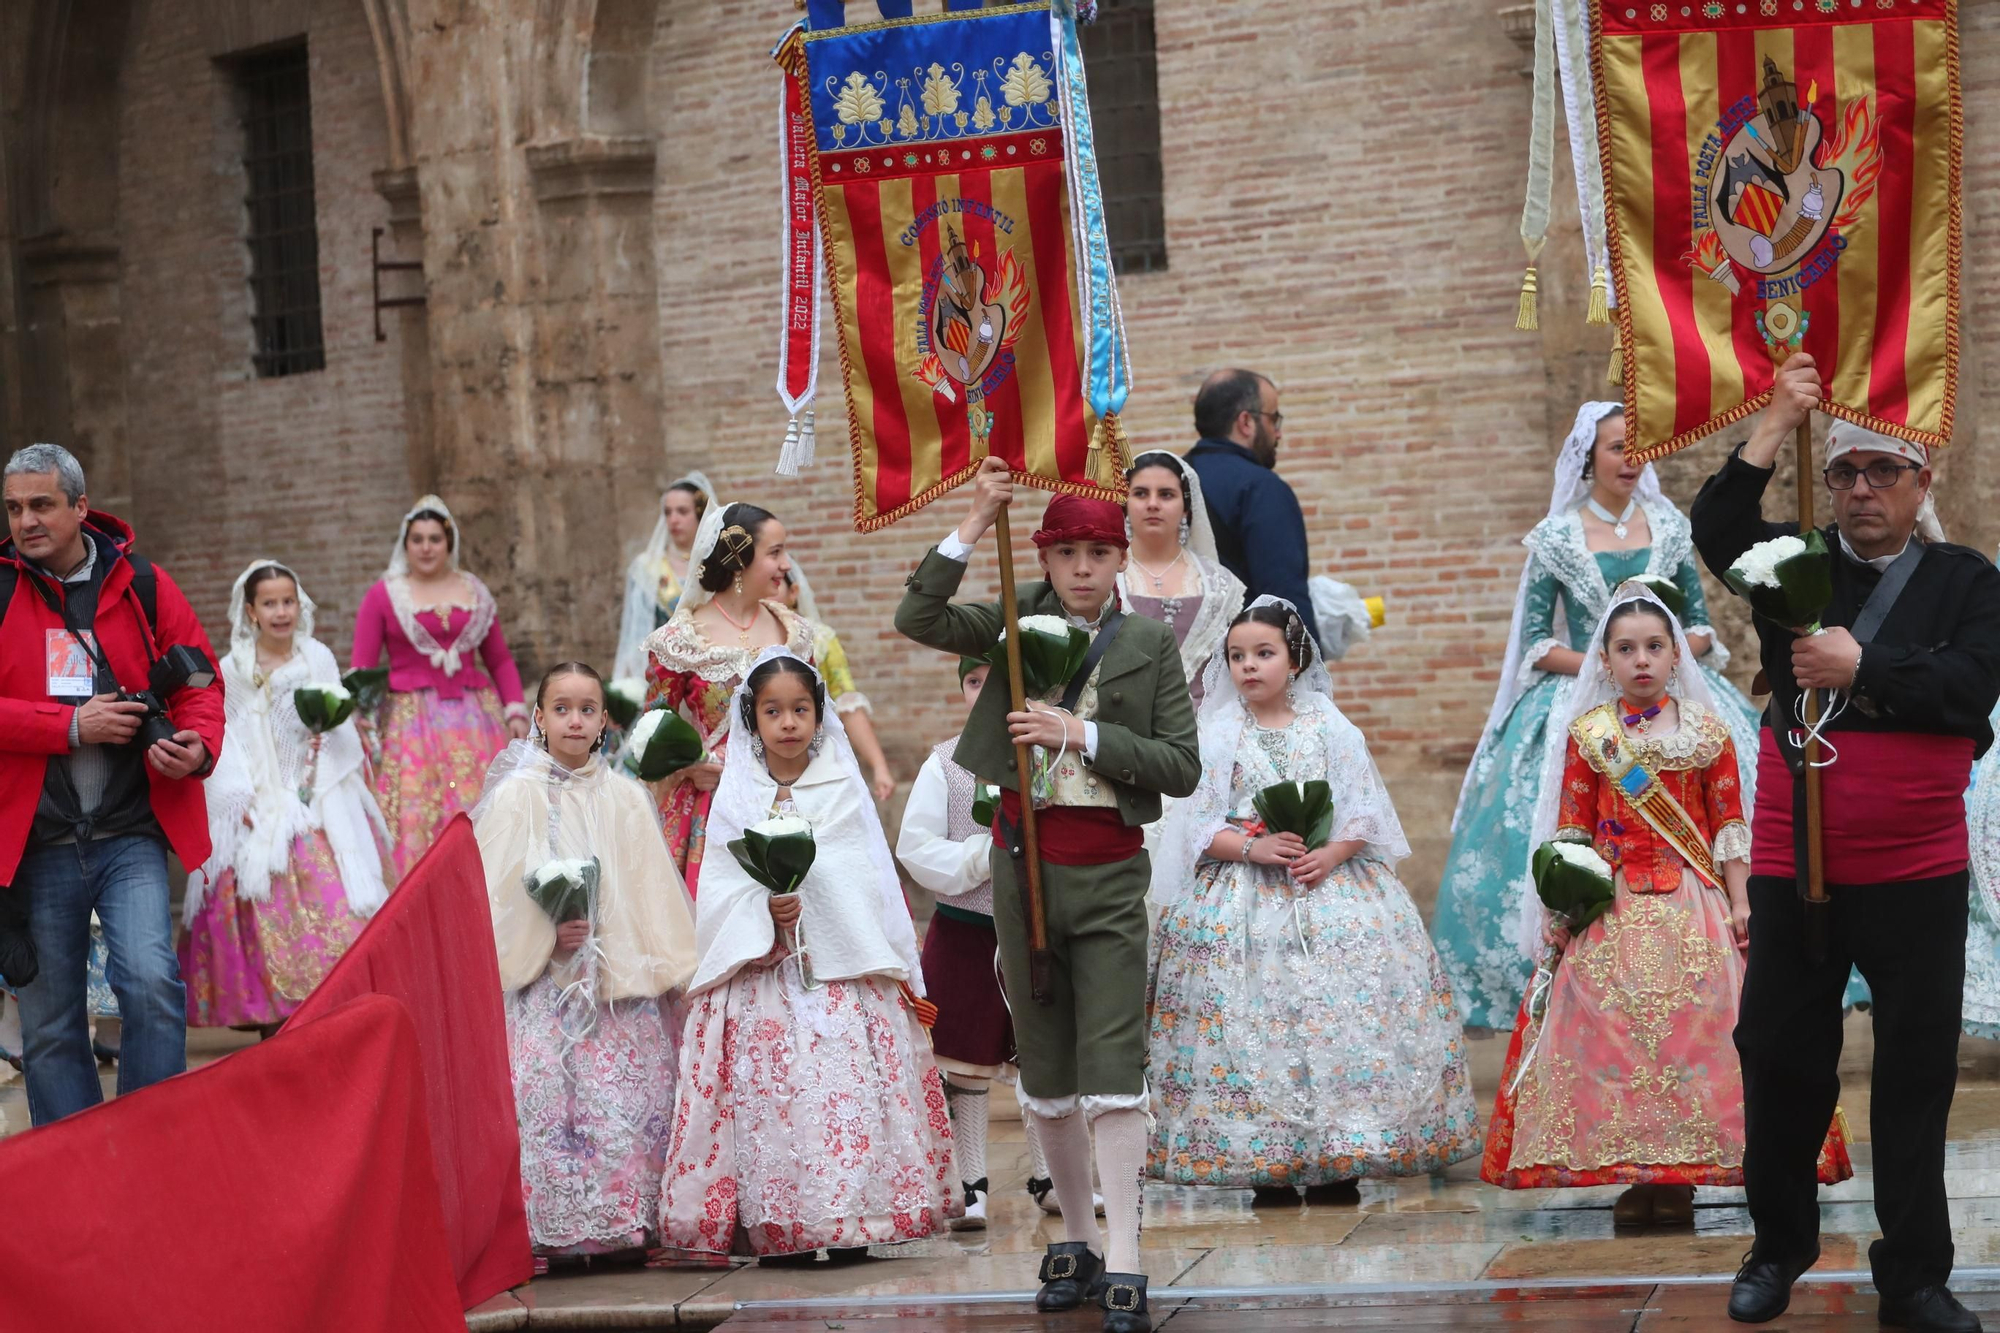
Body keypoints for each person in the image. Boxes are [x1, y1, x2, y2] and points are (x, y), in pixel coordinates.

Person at [1695, 356, 2000, 1332]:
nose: (1860, 490)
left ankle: (1911, 1275)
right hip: (1798, 862)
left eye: (1880, 473)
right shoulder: (1794, 568)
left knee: (1913, 1071)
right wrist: (1777, 422)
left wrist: (1858, 662)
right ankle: (1776, 1242)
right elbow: (1717, 528)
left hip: (1914, 866)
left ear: (1920, 484)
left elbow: (1966, 688)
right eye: (1843, 474)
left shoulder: (1967, 582)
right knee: (1778, 1053)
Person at [895, 457, 1201, 1333]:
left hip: (1108, 871)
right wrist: (972, 517)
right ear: (1043, 554)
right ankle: (1074, 1236)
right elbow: (916, 614)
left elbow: (1180, 765)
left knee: (1112, 1066)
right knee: (1047, 1068)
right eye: (1064, 551)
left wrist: (1085, 732)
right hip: (1018, 868)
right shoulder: (1010, 616)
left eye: (1096, 552)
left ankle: (1129, 1254)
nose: (1079, 568)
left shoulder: (1147, 643)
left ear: (1119, 559)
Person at [1480, 584, 1850, 1227]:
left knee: (1698, 1038)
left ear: (1677, 655)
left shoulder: (1707, 733)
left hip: (1695, 902)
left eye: (1655, 647)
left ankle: (1682, 1176)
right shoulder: (1590, 735)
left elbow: (1730, 824)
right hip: (1611, 906)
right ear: (1606, 661)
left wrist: (1742, 903)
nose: (1641, 660)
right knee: (1614, 1041)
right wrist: (1564, 902)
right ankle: (1632, 1171)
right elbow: (1573, 827)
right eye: (1626, 649)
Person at [1432, 403, 1763, 1031]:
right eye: (1616, 448)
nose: (1630, 460)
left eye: (1638, 448)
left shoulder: (1668, 528)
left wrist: (1658, 656)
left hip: (1670, 691)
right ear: (1588, 460)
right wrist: (1603, 664)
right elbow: (1535, 638)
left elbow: (1698, 625)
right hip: (1578, 697)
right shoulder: (1556, 536)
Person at [1148, 598, 1480, 1205]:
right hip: (1243, 896)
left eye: (1264, 654)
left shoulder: (1330, 726)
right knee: (1255, 1020)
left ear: (1295, 660)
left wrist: (1330, 853)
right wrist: (1251, 848)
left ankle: (1339, 1154)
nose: (1249, 667)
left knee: (1330, 1015)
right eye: (1237, 657)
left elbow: (1365, 810)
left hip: (1329, 884)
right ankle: (1266, 1156)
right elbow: (1197, 826)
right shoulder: (1218, 734)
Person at [659, 650, 957, 1261]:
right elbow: (719, 885)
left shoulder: (840, 786)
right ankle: (785, 1226)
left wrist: (813, 903)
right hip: (765, 980)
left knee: (841, 1094)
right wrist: (763, 913)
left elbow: (860, 870)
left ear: (819, 715)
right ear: (754, 718)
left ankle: (853, 1222)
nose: (789, 722)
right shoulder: (737, 796)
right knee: (779, 1102)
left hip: (839, 975)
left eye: (801, 709)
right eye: (774, 711)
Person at [0, 442, 224, 1125]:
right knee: (49, 1025)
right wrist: (69, 726)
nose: (26, 520)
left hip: (128, 832)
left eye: (41, 504)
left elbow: (201, 679)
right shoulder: (0, 589)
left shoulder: (144, 583)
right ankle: (76, 1181)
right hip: (35, 843)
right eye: (13, 508)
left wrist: (198, 744)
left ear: (80, 506)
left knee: (152, 985)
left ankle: (150, 1153)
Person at [476, 661, 697, 1260]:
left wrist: (624, 947)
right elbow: (493, 893)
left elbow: (651, 889)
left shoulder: (625, 797)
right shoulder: (516, 797)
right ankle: (552, 1227)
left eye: (588, 709)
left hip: (617, 988)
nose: (575, 720)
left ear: (605, 720)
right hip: (544, 987)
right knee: (550, 1099)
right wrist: (549, 937)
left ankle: (625, 1224)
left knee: (626, 1101)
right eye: (562, 708)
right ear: (540, 719)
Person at [181, 560, 392, 1033]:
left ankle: (328, 1016)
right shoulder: (231, 670)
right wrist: (243, 802)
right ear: (251, 611)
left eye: (289, 601)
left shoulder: (315, 657)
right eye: (270, 603)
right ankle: (271, 1020)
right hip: (254, 802)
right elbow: (225, 737)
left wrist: (318, 767)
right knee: (255, 904)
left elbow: (339, 730)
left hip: (313, 798)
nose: (281, 612)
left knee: (334, 902)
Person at [643, 501, 815, 895]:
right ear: (739, 557)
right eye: (775, 553)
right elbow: (652, 732)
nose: (787, 564)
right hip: (713, 807)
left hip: (792, 795)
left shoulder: (795, 633)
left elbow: (817, 719)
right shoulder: (679, 640)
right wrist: (687, 768)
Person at [352, 496, 529, 878]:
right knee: (420, 813)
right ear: (406, 544)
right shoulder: (383, 596)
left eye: (435, 538)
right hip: (412, 724)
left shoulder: (474, 591)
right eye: (417, 539)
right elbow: (361, 668)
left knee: (481, 806)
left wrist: (514, 708)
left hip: (475, 720)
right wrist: (361, 722)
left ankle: (490, 886)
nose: (426, 547)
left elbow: (499, 658)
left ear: (449, 542)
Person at [1182, 370, 1320, 649]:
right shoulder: (1261, 489)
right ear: (1246, 422)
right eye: (1273, 418)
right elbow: (1284, 599)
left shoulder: (1167, 482)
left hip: (1175, 666)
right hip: (1244, 668)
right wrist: (1308, 675)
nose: (1278, 431)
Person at [1117, 450, 1245, 706]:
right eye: (1141, 493)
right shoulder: (1109, 575)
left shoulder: (1220, 583)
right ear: (1126, 503)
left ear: (1186, 507)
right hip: (1128, 727)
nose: (1153, 504)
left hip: (1210, 729)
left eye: (1166, 494)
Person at [782, 561, 896, 801]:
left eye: (774, 584)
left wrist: (879, 766)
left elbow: (847, 703)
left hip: (814, 762)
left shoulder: (821, 640)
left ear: (793, 593)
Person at [615, 473, 718, 682]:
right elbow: (635, 632)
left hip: (710, 675)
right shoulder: (646, 568)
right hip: (662, 676)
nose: (673, 519)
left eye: (682, 511)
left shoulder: (719, 564)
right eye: (668, 512)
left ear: (701, 513)